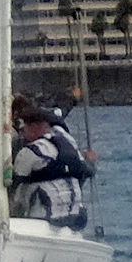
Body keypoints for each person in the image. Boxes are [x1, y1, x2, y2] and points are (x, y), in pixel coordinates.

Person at [8, 96, 94, 228]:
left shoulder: (30, 151)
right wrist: (90, 160)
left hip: (45, 219)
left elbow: (15, 191)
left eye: (24, 128)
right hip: (77, 219)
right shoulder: (67, 140)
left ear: (33, 127)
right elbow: (86, 170)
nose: (22, 133)